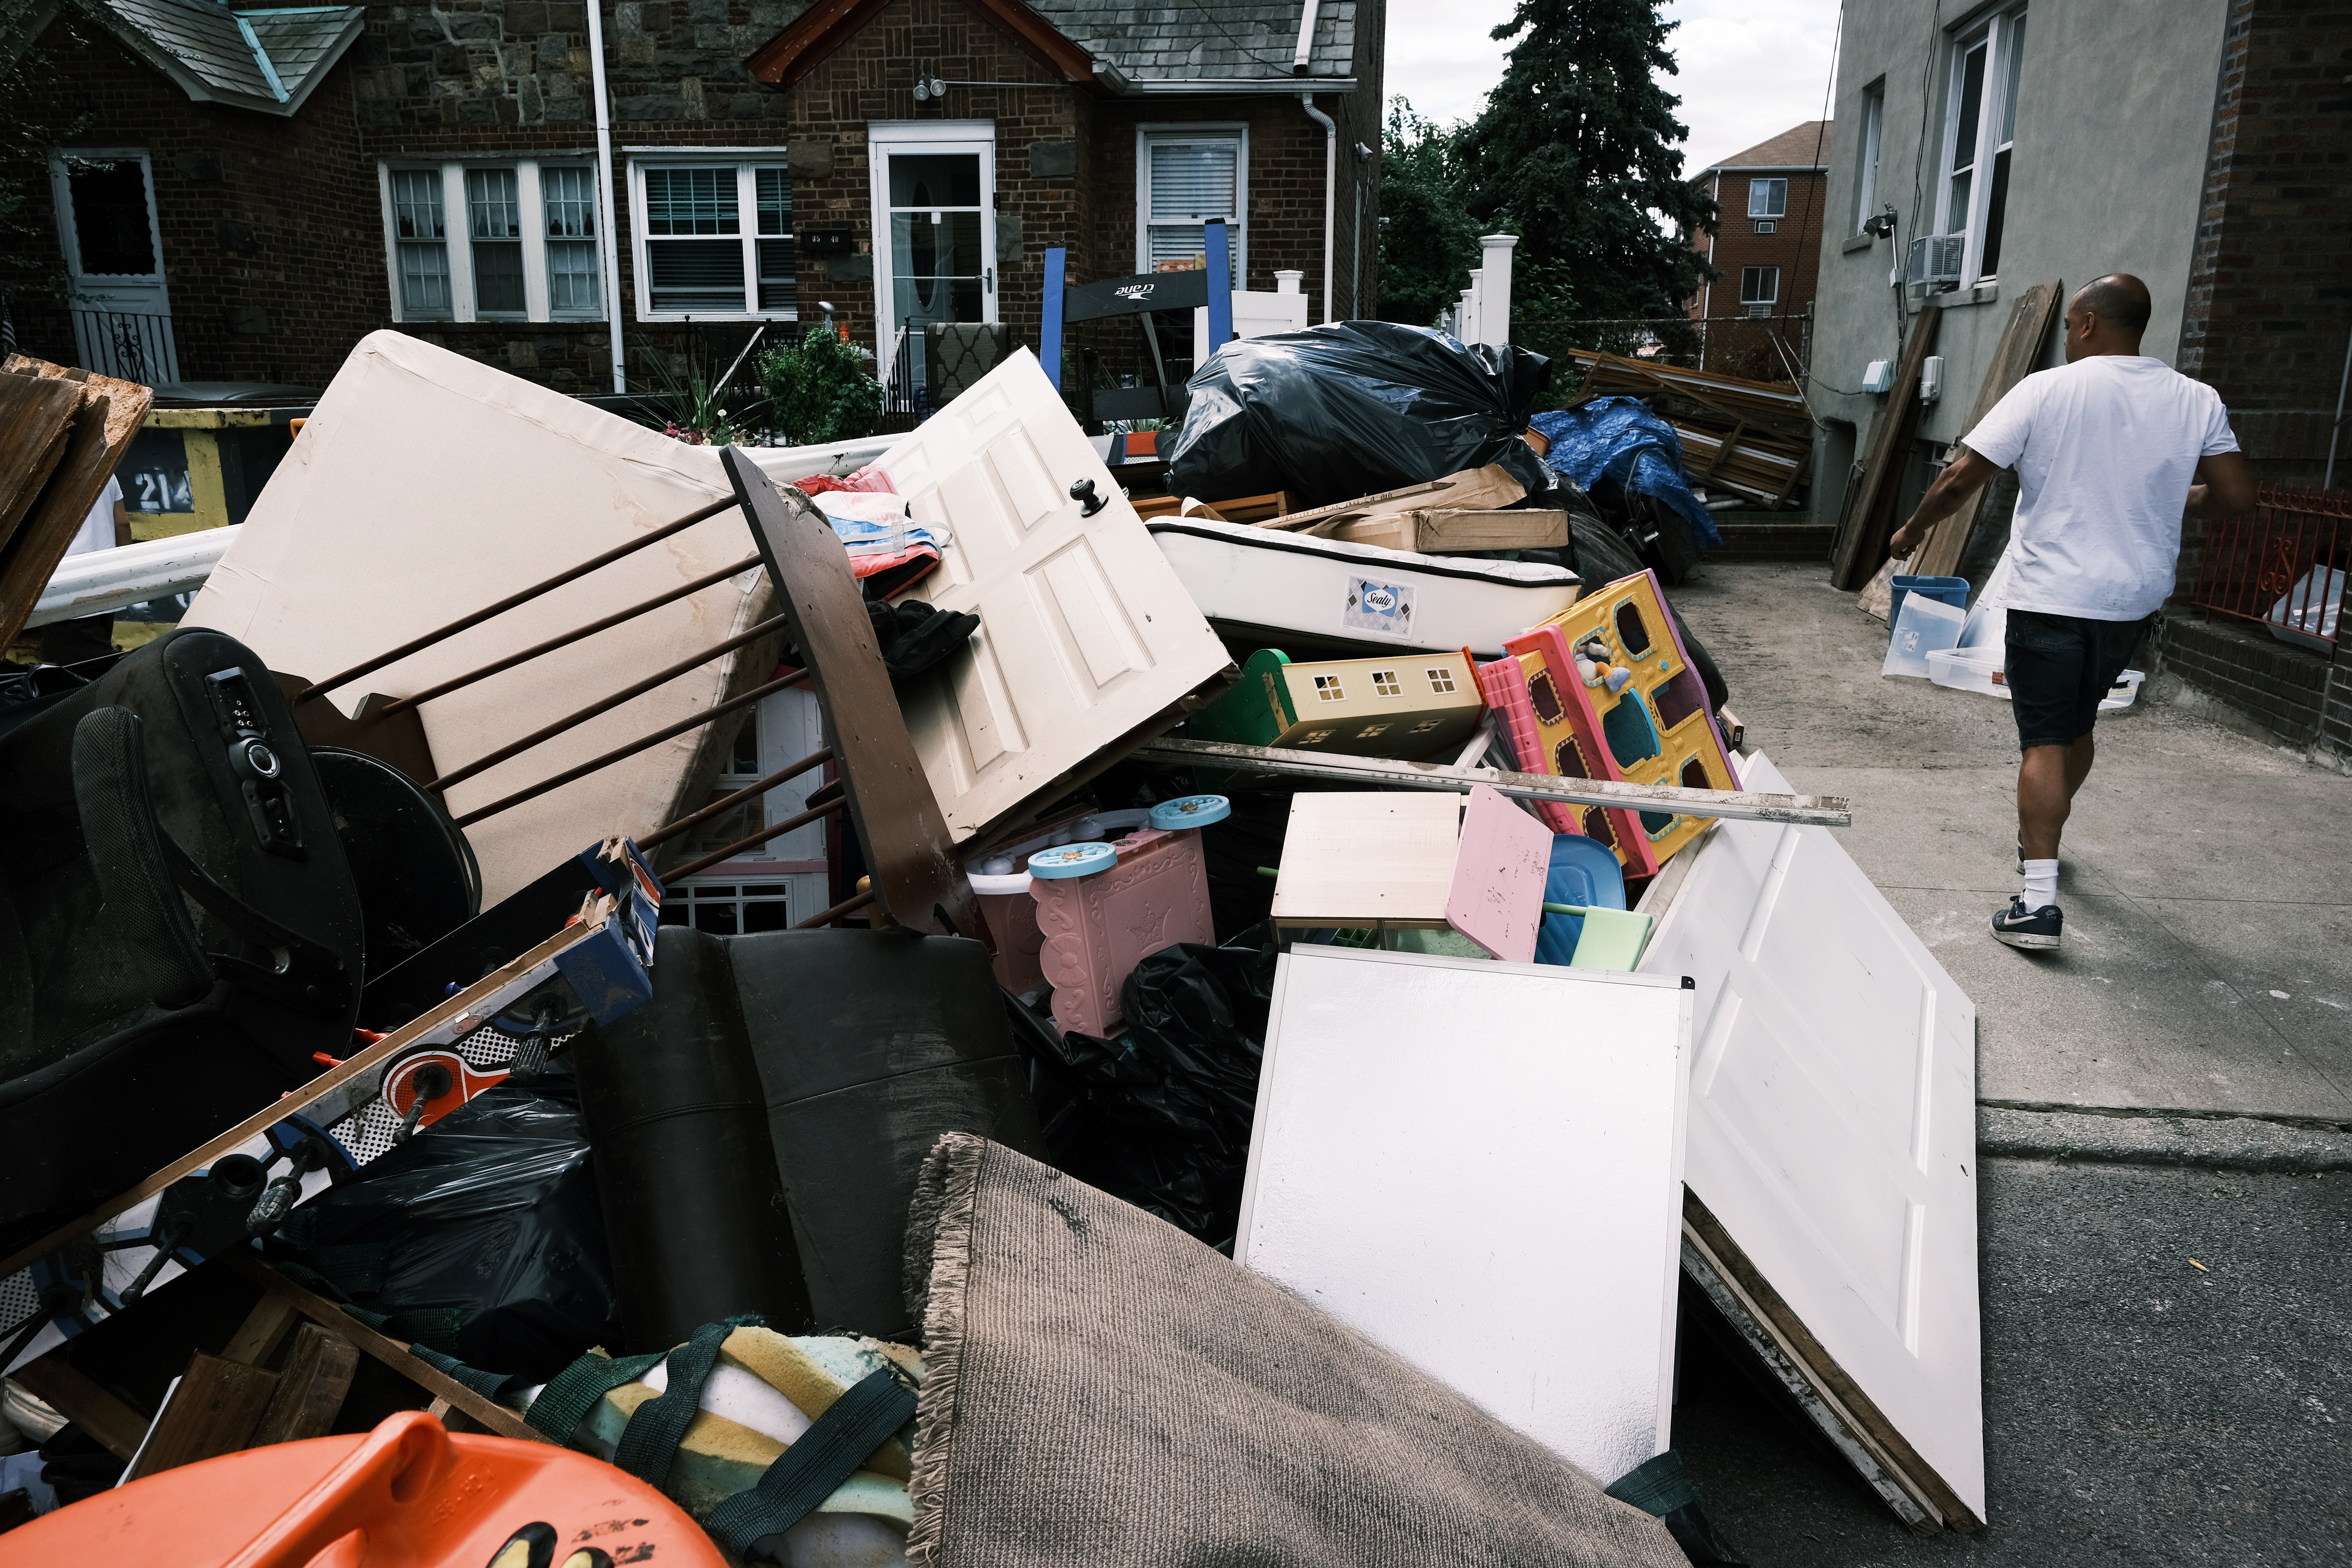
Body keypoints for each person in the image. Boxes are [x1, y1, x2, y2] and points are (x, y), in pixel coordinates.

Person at [1887, 274, 2254, 952]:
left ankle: (2038, 903)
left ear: (2086, 323)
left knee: (2045, 741)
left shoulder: (2047, 390)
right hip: (2130, 604)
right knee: (2077, 725)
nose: (2065, 335)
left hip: (2051, 598)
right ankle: (2045, 844)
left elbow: (1963, 476)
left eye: (2069, 325)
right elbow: (2234, 497)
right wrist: (2177, 497)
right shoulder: (2195, 399)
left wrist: (1911, 530)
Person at [38, 471, 132, 666]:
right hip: (107, 579)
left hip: (65, 584)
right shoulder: (108, 470)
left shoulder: (48, 471)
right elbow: (122, 524)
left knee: (93, 669)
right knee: (59, 665)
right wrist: (129, 573)